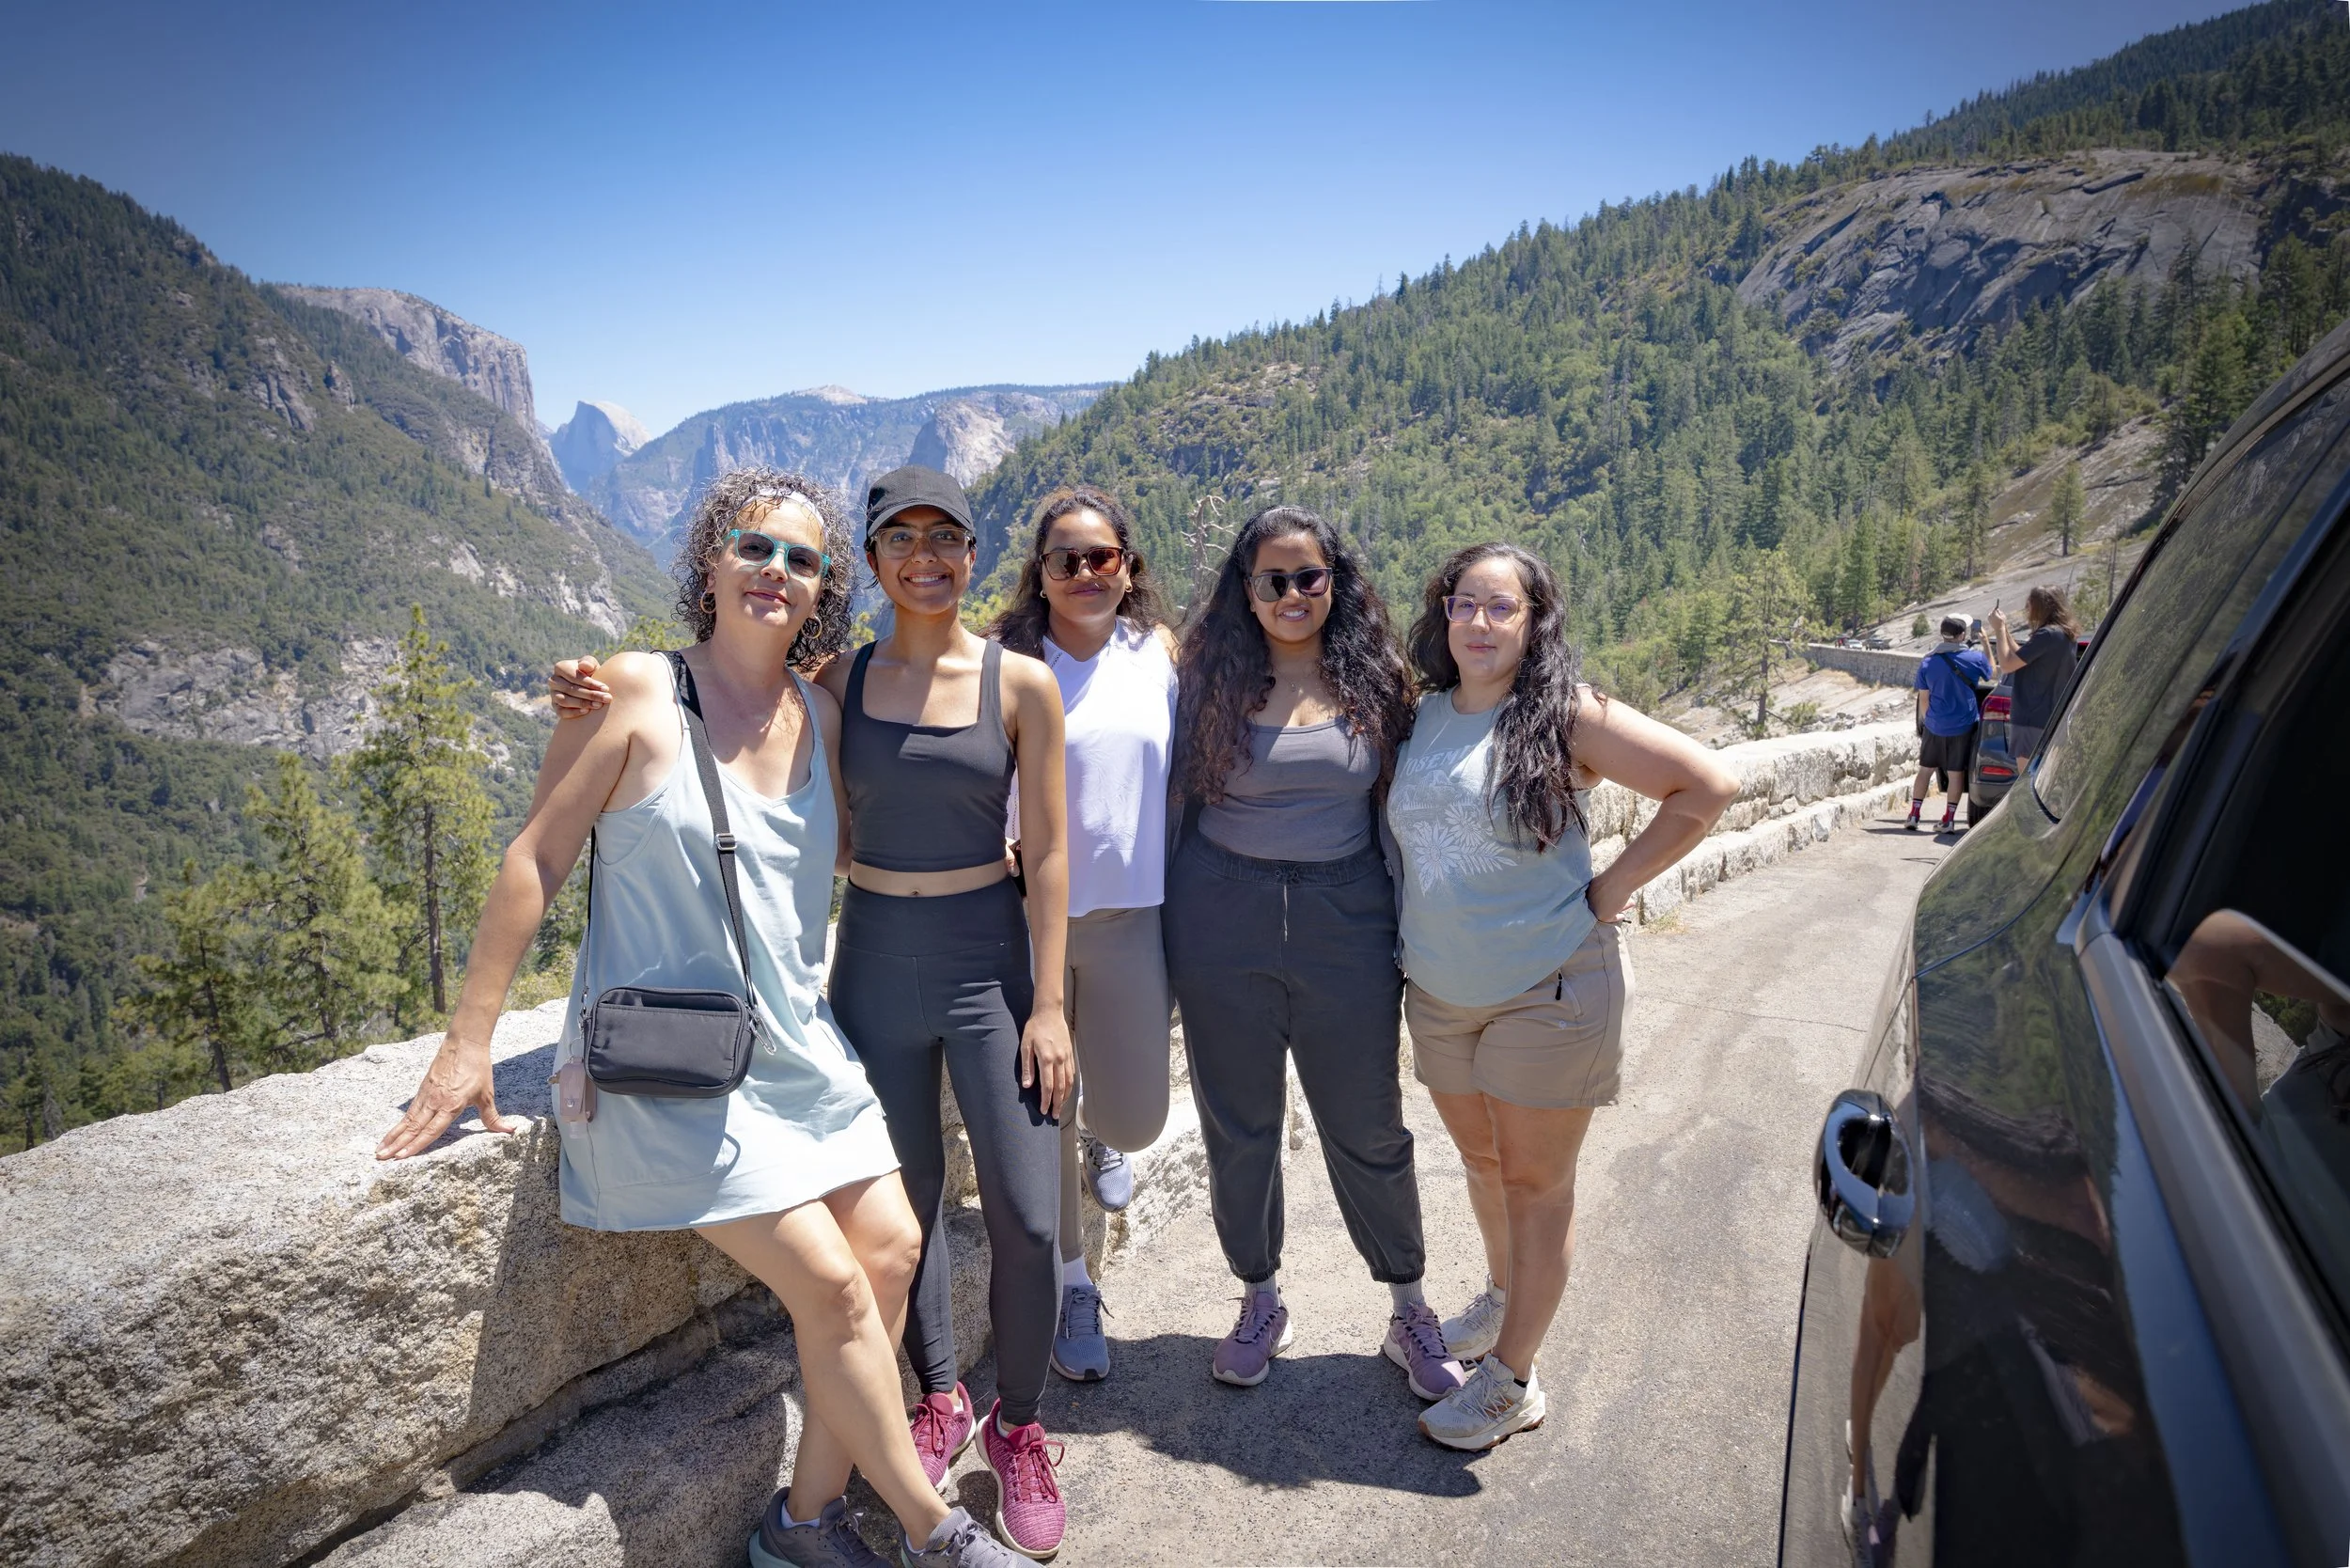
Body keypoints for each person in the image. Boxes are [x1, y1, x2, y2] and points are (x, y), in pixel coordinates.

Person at [383, 469, 1025, 1568]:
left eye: (803, 559)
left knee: (890, 1250)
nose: (777, 571)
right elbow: (535, 857)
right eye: (754, 548)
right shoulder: (631, 691)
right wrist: (468, 1040)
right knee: (828, 1283)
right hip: (662, 1067)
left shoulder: (819, 710)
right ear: (711, 564)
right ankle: (938, 1531)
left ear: (825, 588)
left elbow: (899, 807)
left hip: (792, 1048)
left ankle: (805, 1525)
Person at [550, 466, 1076, 1562]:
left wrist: (1053, 999)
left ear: (973, 556)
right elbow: (754, 738)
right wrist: (584, 694)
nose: (925, 557)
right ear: (874, 565)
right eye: (900, 539)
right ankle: (925, 1417)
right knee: (903, 1219)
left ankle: (1015, 1428)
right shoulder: (836, 678)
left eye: (948, 538)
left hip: (985, 960)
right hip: (875, 958)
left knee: (1021, 1218)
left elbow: (1053, 851)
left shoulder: (1020, 684)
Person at [1389, 541, 1737, 1450]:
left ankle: (1512, 1379)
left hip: (1547, 989)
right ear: (1444, 612)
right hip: (1440, 990)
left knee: (1539, 1184)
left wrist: (1612, 892)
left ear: (1535, 621)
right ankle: (1505, 1301)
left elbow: (1706, 785)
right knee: (1484, 1165)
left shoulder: (1565, 715)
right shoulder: (1423, 715)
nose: (1479, 622)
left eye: (1501, 608)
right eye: (1465, 603)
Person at [1164, 504, 1466, 1403]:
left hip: (1347, 918)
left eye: (1311, 577)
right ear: (1245, 591)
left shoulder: (1380, 685)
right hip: (1222, 915)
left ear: (1336, 583)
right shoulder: (1205, 681)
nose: (1294, 594)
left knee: (1367, 1124)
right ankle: (1259, 1297)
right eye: (1274, 580)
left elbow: (1414, 804)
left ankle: (1408, 1306)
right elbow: (1166, 804)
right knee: (1240, 1124)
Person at [986, 485, 1178, 1386]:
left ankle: (1104, 1134)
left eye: (1102, 557)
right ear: (1041, 574)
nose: (1085, 573)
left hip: (1135, 917)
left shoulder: (1160, 656)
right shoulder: (1004, 663)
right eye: (1065, 559)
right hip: (1030, 925)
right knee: (1043, 1116)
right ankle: (1075, 1285)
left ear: (1128, 567)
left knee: (1137, 1117)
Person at [1906, 615, 1992, 834]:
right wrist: (1985, 644)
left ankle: (1914, 814)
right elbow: (1991, 672)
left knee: (1925, 770)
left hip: (1935, 725)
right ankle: (1949, 820)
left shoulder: (1928, 661)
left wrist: (1931, 722)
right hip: (1963, 726)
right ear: (1962, 635)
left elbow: (1923, 699)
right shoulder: (1974, 659)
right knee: (1955, 774)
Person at [1984, 586, 2081, 769]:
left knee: (2026, 779)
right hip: (2050, 719)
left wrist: (1997, 630)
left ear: (2042, 607)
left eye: (2030, 603)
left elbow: (2006, 665)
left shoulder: (2046, 635)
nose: (2027, 608)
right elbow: (2023, 655)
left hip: (2030, 719)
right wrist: (2004, 629)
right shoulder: (2064, 635)